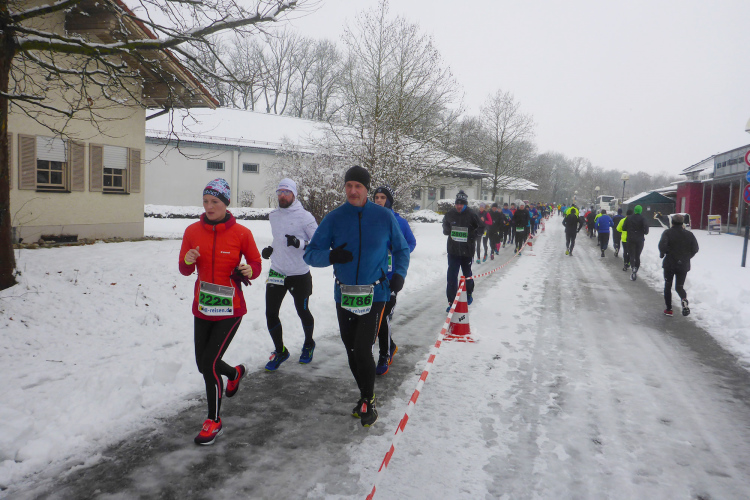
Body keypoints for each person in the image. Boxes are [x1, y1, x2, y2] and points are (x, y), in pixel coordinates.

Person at [304, 166, 410, 428]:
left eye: (358, 186)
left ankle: (368, 400)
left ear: (366, 189)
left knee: (362, 348)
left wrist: (399, 275)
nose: (353, 190)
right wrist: (331, 255)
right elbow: (310, 254)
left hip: (375, 293)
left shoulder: (384, 217)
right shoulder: (335, 218)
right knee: (351, 349)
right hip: (345, 294)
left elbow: (402, 248)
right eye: (349, 185)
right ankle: (365, 395)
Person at [179, 178, 262, 445]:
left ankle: (213, 421)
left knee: (209, 364)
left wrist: (249, 270)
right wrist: (187, 260)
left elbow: (256, 263)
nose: (209, 206)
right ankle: (234, 373)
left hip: (230, 309)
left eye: (215, 201)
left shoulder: (241, 233)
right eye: (205, 201)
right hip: (203, 307)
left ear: (226, 203)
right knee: (203, 363)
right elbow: (184, 269)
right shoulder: (192, 231)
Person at [261, 178, 319, 371]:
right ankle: (280, 351)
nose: (282, 196)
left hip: (299, 273)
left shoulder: (305, 217)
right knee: (270, 313)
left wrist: (299, 243)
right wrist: (270, 249)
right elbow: (278, 239)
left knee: (302, 311)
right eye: (280, 192)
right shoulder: (273, 216)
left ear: (294, 194)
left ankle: (309, 343)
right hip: (277, 270)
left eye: (287, 192)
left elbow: (318, 243)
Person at [372, 185, 416, 376]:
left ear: (389, 201)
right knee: (374, 318)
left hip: (391, 277)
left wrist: (397, 252)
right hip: (373, 276)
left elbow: (410, 243)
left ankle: (384, 354)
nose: (379, 201)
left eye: (383, 198)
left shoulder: (400, 222)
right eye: (376, 197)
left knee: (384, 316)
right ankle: (390, 345)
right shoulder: (370, 219)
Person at [442, 190, 482, 310]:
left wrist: (472, 235)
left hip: (467, 251)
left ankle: (469, 293)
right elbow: (445, 227)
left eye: (461, 204)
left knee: (467, 274)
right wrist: (447, 230)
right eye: (457, 204)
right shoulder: (450, 214)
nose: (459, 206)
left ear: (465, 204)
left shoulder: (472, 214)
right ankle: (451, 302)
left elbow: (481, 228)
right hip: (453, 251)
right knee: (451, 276)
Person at [658, 214, 699, 316]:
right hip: (683, 265)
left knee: (668, 285)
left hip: (670, 264)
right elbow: (695, 248)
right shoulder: (689, 234)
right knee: (679, 287)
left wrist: (663, 253)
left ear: (672, 222)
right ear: (682, 223)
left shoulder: (667, 233)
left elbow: (662, 246)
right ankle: (684, 299)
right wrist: (687, 257)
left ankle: (669, 309)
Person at [623, 205, 650, 280]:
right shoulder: (643, 218)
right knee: (637, 255)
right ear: (641, 210)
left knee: (632, 255)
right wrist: (642, 231)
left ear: (634, 210)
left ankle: (633, 267)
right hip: (639, 240)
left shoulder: (629, 218)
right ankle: (636, 268)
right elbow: (646, 231)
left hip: (630, 239)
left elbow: (624, 228)